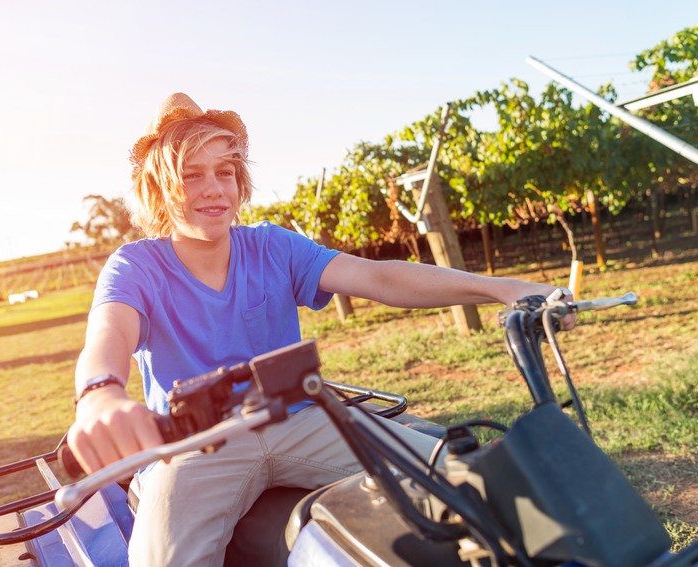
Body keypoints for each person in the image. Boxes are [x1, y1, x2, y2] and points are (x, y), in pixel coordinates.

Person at [67, 92, 573, 566]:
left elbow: (379, 276)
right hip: (195, 446)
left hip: (300, 417)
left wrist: (502, 288)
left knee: (468, 480)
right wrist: (99, 394)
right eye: (192, 175)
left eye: (225, 171)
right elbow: (108, 335)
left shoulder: (272, 247)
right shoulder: (135, 267)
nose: (214, 189)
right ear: (159, 187)